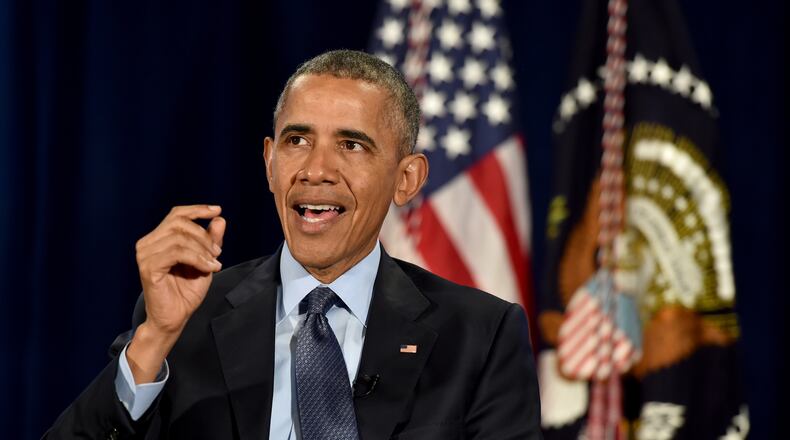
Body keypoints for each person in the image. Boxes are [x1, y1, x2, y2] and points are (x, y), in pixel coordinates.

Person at [45, 50, 541, 440]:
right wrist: (152, 341)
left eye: (351, 145)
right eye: (297, 141)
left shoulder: (480, 336)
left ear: (406, 179)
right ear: (269, 162)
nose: (316, 170)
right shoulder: (185, 320)